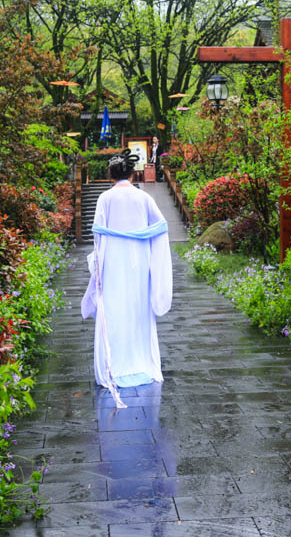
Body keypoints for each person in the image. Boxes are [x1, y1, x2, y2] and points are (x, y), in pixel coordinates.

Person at [81, 149, 173, 408]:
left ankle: (114, 365)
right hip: (139, 261)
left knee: (113, 311)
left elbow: (98, 233)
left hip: (113, 262)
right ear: (132, 173)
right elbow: (161, 226)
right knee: (137, 309)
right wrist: (139, 238)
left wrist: (97, 263)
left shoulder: (105, 197)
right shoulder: (142, 197)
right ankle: (141, 361)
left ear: (111, 174)